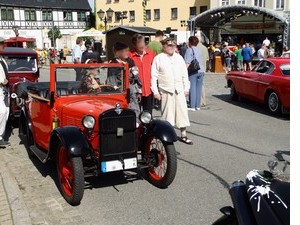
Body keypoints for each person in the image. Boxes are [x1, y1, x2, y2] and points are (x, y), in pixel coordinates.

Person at [151, 38, 192, 145]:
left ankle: (183, 134)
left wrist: (186, 88)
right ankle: (167, 136)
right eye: (169, 45)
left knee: (182, 112)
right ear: (164, 46)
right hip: (165, 90)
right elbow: (153, 76)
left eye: (173, 45)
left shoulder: (179, 58)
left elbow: (184, 74)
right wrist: (155, 91)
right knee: (167, 114)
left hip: (179, 89)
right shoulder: (158, 58)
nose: (171, 47)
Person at [109, 42, 142, 121]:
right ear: (118, 52)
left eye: (128, 50)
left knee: (136, 111)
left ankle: (136, 125)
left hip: (132, 91)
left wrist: (138, 91)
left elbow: (136, 77)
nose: (128, 53)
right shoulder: (113, 63)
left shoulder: (130, 61)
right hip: (120, 92)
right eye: (125, 51)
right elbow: (112, 80)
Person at [129, 34, 155, 114]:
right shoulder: (130, 56)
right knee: (136, 113)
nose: (142, 45)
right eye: (139, 43)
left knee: (148, 114)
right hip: (136, 90)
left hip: (148, 89)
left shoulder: (151, 54)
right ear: (134, 45)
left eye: (143, 42)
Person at [184, 36, 204, 111]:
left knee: (192, 87)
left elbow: (187, 62)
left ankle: (192, 106)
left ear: (190, 42)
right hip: (201, 70)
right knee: (199, 88)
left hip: (193, 71)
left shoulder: (189, 50)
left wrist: (184, 71)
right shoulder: (199, 50)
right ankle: (197, 105)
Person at [0, 37, 10, 148]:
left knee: (6, 112)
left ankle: (1, 137)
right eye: (2, 43)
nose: (3, 45)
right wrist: (2, 81)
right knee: (2, 111)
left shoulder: (2, 59)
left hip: (5, 89)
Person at [197, 35, 209, 108]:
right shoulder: (204, 48)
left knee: (196, 85)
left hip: (196, 69)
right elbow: (207, 59)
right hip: (203, 68)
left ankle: (199, 101)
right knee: (202, 85)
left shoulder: (195, 48)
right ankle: (203, 101)